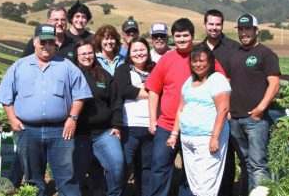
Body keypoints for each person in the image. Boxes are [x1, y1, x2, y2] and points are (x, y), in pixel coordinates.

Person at [0, 24, 93, 196]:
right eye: (42, 41)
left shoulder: (67, 66)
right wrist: (12, 118)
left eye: (50, 42)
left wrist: (73, 118)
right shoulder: (19, 66)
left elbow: (80, 95)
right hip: (28, 130)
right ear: (34, 42)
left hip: (60, 131)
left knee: (66, 177)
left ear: (55, 43)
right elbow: (5, 96)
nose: (46, 45)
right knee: (33, 180)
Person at [146, 18, 225, 196]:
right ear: (173, 38)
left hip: (195, 128)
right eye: (178, 36)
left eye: (185, 35)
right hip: (167, 125)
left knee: (192, 173)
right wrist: (152, 120)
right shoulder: (166, 60)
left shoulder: (203, 58)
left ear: (192, 36)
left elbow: (221, 84)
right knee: (160, 167)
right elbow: (153, 90)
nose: (181, 39)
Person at [226, 14, 281, 193]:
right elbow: (227, 83)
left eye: (247, 29)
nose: (244, 33)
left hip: (255, 120)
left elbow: (274, 85)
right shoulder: (234, 54)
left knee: (258, 165)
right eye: (241, 29)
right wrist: (227, 110)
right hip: (234, 119)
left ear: (256, 31)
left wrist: (260, 109)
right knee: (245, 163)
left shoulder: (266, 54)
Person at [168, 45, 231, 196]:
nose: (198, 64)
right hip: (188, 138)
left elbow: (223, 110)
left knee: (206, 184)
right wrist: (174, 134)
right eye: (194, 61)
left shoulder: (217, 80)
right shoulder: (189, 81)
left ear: (210, 61)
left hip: (207, 138)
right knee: (195, 182)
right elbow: (181, 109)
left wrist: (214, 138)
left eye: (202, 60)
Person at [200, 9, 245, 196]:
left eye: (218, 24)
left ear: (222, 26)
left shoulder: (234, 48)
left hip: (227, 111)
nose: (214, 28)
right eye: (211, 24)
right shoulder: (198, 49)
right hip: (204, 111)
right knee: (206, 156)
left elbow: (240, 78)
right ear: (204, 25)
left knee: (227, 157)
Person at [74, 40, 124, 196]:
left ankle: (113, 194)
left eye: (90, 53)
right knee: (78, 173)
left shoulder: (103, 75)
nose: (87, 56)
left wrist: (116, 125)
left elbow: (116, 101)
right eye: (83, 54)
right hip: (79, 135)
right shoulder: (71, 74)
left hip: (104, 132)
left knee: (117, 165)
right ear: (76, 56)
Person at [113, 37, 156, 196]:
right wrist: (152, 92)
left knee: (146, 168)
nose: (139, 53)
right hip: (129, 126)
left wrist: (138, 90)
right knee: (123, 166)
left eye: (142, 49)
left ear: (148, 50)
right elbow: (124, 90)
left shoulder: (156, 68)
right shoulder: (123, 69)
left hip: (151, 128)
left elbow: (163, 89)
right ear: (129, 54)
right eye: (135, 50)